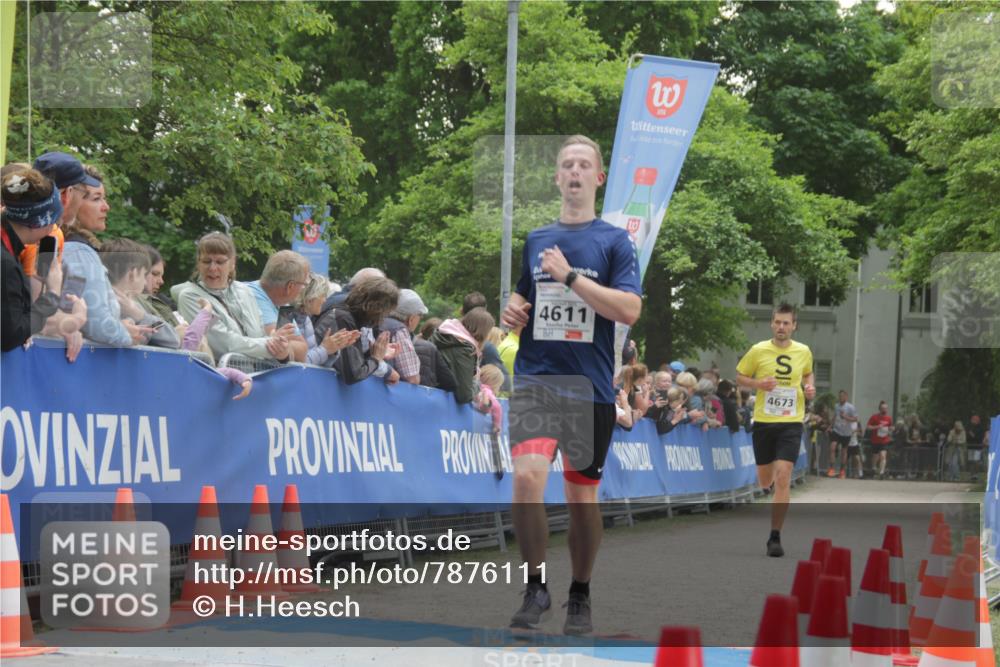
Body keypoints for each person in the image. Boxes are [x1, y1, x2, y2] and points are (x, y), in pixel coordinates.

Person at [500, 135, 642, 635]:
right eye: (567, 165)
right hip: (539, 378)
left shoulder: (613, 241)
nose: (575, 171)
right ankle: (536, 586)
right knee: (525, 480)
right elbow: (521, 300)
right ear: (558, 177)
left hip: (590, 388)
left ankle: (579, 591)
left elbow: (628, 309)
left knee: (582, 500)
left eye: (585, 164)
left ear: (598, 178)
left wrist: (572, 279)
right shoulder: (538, 239)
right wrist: (513, 311)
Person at [736, 302, 816, 558]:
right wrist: (759, 383)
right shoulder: (758, 350)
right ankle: (767, 487)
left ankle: (775, 536)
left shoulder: (804, 351)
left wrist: (809, 388)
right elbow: (739, 378)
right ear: (772, 324)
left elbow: (807, 375)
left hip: (792, 422)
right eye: (778, 322)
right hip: (764, 421)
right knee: (765, 479)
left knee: (784, 475)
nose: (781, 327)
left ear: (794, 325)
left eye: (786, 323)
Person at [61, 165, 152, 347]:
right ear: (73, 201)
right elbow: (98, 324)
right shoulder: (79, 252)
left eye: (104, 199)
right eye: (97, 199)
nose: (106, 207)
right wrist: (126, 334)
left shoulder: (72, 247)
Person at [1, 167, 86, 359]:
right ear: (41, 223)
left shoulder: (9, 249)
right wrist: (52, 295)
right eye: (54, 221)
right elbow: (10, 336)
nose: (54, 229)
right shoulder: (5, 263)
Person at [172, 232, 293, 362]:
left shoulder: (245, 291)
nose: (213, 268)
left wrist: (280, 348)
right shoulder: (189, 296)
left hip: (256, 375)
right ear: (198, 263)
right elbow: (223, 344)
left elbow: (262, 334)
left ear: (232, 263)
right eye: (207, 261)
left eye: (220, 262)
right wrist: (270, 345)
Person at [100, 238, 180, 349]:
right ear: (133, 274)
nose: (145, 280)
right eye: (144, 274)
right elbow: (174, 341)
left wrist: (139, 315)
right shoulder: (106, 305)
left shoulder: (131, 306)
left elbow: (174, 341)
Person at [278, 272, 358, 367]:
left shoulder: (306, 319)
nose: (325, 300)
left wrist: (333, 348)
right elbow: (299, 363)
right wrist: (325, 349)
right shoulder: (286, 317)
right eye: (323, 295)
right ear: (311, 296)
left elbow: (315, 363)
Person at [332, 275, 400, 385]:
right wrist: (376, 358)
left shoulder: (352, 318)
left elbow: (356, 363)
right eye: (385, 312)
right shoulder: (344, 318)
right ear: (376, 308)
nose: (383, 319)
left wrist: (378, 351)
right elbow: (354, 374)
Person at [431, 307, 495, 404]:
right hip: (441, 407)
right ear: (482, 333)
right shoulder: (464, 350)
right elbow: (464, 396)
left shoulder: (440, 335)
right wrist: (476, 382)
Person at [382, 288, 427, 384]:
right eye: (420, 316)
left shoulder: (377, 320)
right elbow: (412, 378)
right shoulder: (399, 330)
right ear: (411, 319)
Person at [829, 390, 858, 478]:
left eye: (842, 396)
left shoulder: (851, 407)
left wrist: (846, 417)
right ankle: (832, 469)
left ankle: (842, 470)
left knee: (844, 452)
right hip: (837, 430)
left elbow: (855, 419)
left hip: (846, 432)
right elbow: (835, 416)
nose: (840, 398)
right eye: (839, 396)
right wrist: (830, 426)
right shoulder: (836, 406)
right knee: (833, 447)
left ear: (846, 397)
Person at [865, 400, 893, 480]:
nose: (885, 410)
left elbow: (891, 427)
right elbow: (868, 427)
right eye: (883, 408)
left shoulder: (889, 418)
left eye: (886, 408)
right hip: (875, 441)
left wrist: (891, 429)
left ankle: (881, 473)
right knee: (875, 457)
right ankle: (873, 468)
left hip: (884, 441)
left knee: (883, 456)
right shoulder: (874, 417)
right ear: (880, 409)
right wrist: (877, 427)